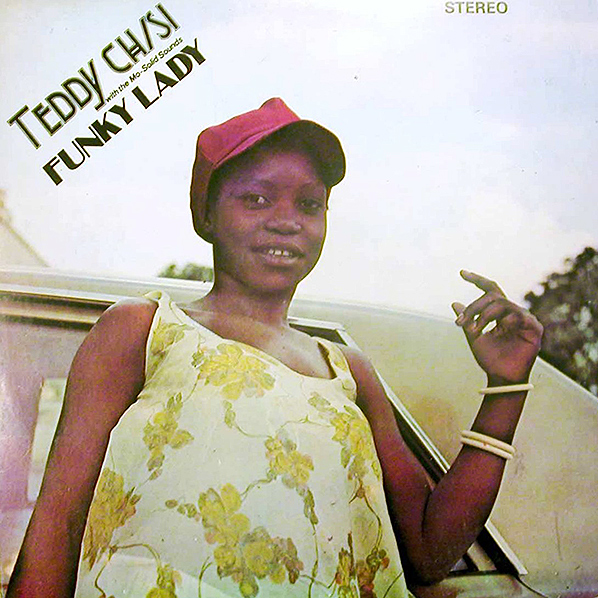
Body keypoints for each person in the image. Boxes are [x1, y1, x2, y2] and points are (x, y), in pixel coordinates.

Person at [7, 98, 543, 598]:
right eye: (257, 199)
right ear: (206, 213)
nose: (286, 221)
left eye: (309, 204)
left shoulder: (347, 372)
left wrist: (506, 386)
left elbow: (429, 552)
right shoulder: (145, 330)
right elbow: (59, 522)